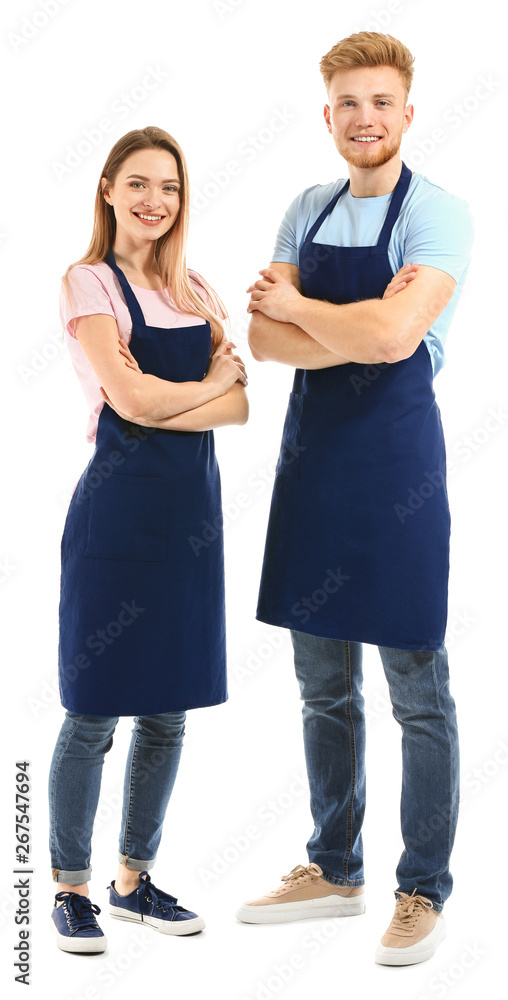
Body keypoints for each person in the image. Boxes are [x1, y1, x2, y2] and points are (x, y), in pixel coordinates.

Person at [235, 32, 473, 967]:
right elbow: (266, 344)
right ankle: (334, 867)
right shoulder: (306, 205)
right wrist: (342, 323)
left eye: (381, 102)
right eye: (347, 104)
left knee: (418, 689)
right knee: (321, 689)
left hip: (398, 479)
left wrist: (306, 308)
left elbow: (396, 339)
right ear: (327, 114)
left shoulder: (440, 214)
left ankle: (423, 887)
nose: (364, 118)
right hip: (312, 472)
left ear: (407, 113)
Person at [49, 126, 248, 953]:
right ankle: (68, 889)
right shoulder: (86, 281)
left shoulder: (195, 287)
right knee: (94, 711)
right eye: (136, 184)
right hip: (117, 518)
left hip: (192, 523)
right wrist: (206, 385)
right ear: (106, 189)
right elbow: (127, 402)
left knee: (167, 712)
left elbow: (240, 407)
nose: (153, 201)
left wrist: (194, 394)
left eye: (167, 186)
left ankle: (134, 881)